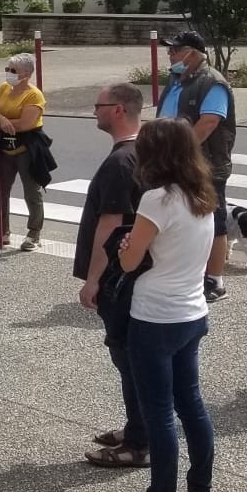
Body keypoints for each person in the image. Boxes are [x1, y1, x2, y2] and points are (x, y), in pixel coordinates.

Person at [112, 118, 219, 492]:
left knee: (158, 416)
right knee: (191, 406)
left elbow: (129, 260)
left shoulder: (157, 199)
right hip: (191, 311)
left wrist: (125, 249)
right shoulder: (203, 196)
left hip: (154, 314)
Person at [76, 83, 149, 468]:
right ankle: (139, 425)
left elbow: (111, 225)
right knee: (131, 358)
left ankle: (138, 442)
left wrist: (93, 280)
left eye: (99, 106)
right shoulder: (140, 153)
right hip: (133, 274)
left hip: (119, 279)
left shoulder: (120, 162)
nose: (94, 112)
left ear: (118, 110)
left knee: (128, 358)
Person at [156, 31, 236, 301]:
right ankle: (191, 273)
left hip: (204, 163)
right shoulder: (178, 79)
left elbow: (209, 122)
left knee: (213, 220)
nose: (170, 55)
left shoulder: (212, 82)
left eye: (175, 50)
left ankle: (215, 281)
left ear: (193, 53)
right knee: (181, 217)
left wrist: (181, 152)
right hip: (173, 160)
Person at [0, 51, 49, 250]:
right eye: (7, 69)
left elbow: (26, 123)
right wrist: (2, 121)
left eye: (13, 70)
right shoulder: (3, 88)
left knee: (31, 192)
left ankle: (34, 233)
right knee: (1, 190)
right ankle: (2, 230)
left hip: (28, 147)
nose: (8, 73)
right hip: (4, 146)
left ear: (26, 74)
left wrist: (4, 122)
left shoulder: (34, 95)